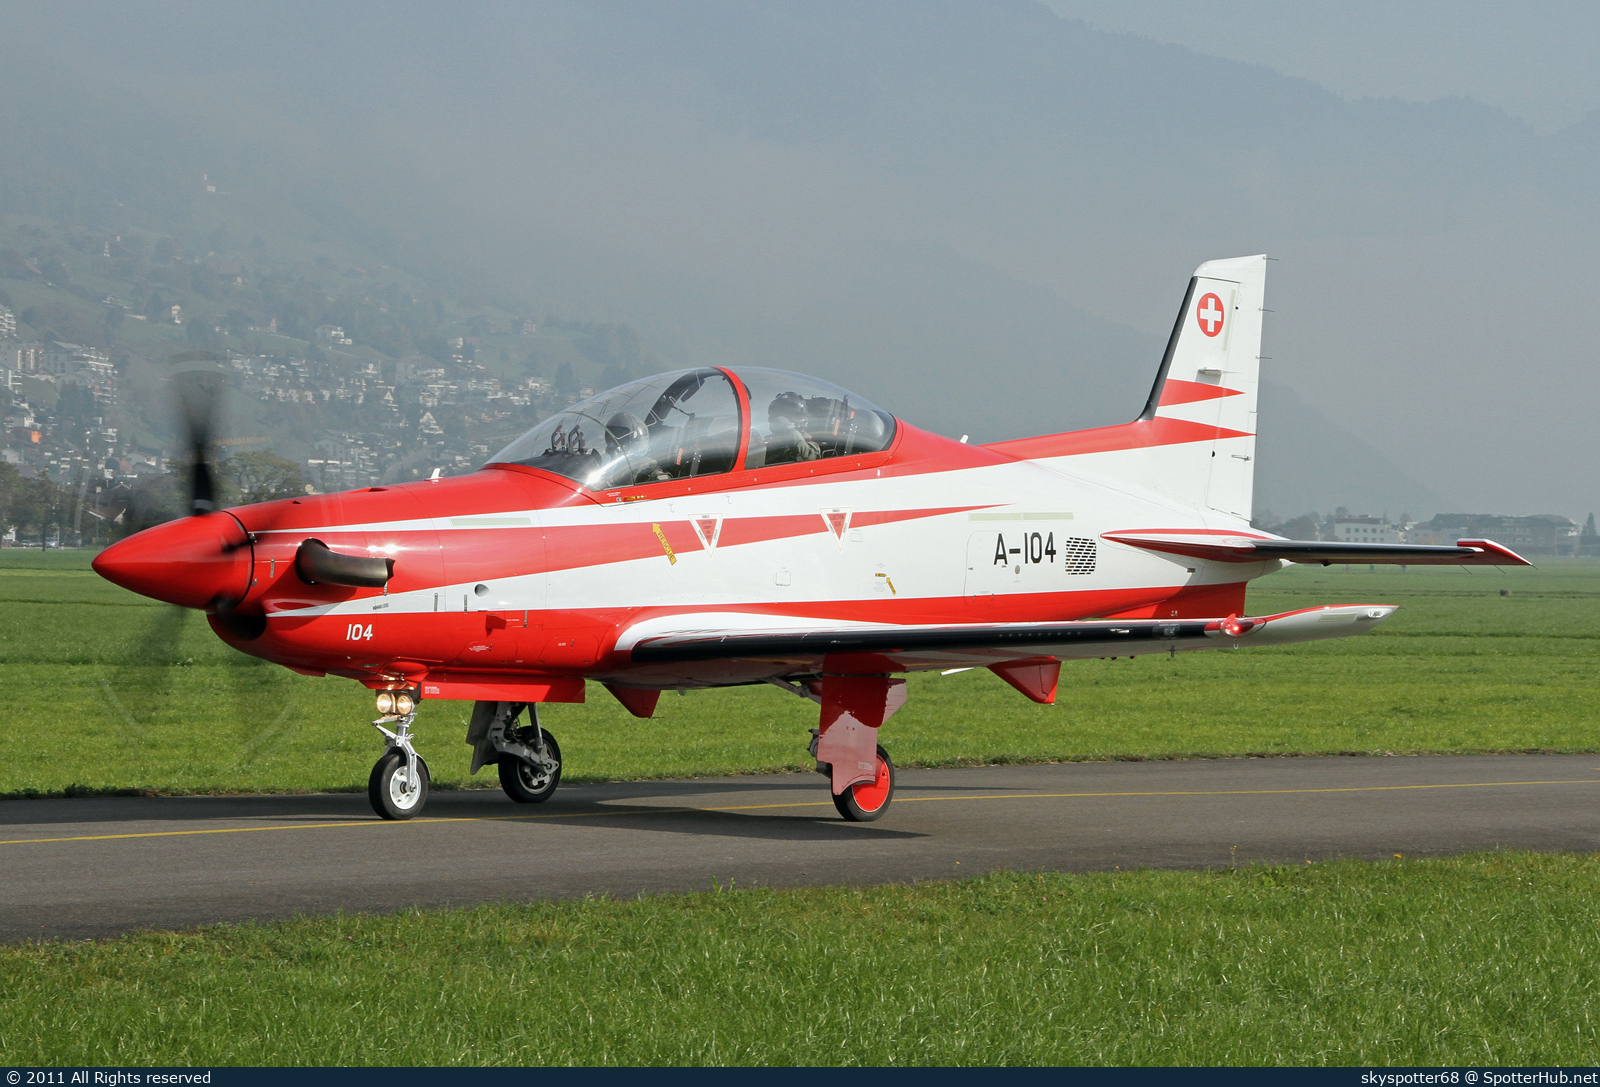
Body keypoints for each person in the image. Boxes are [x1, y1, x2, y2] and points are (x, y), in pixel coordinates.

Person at [766, 392, 821, 464]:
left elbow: (809, 457)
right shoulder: (774, 441)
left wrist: (790, 431)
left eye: (781, 418)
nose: (778, 421)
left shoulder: (811, 445)